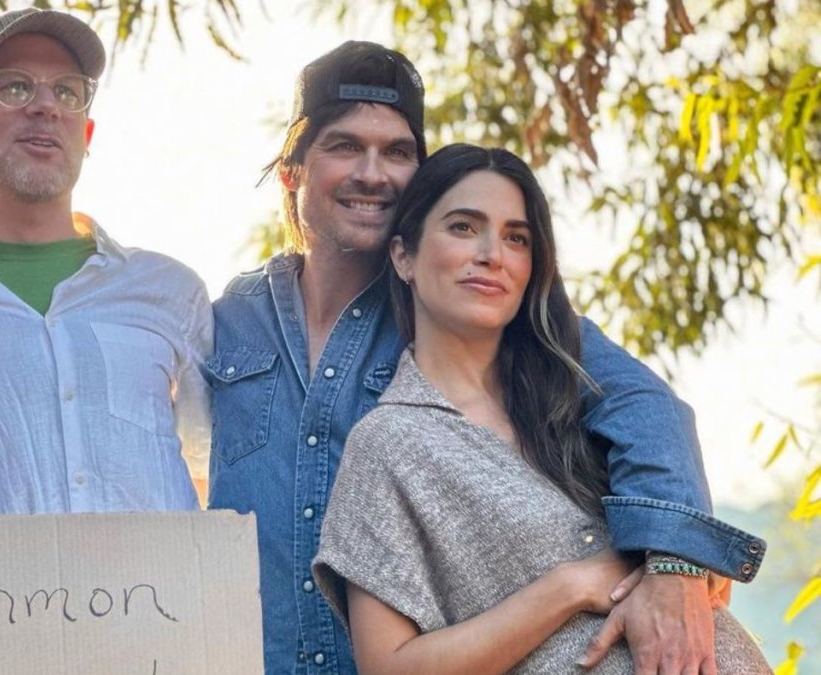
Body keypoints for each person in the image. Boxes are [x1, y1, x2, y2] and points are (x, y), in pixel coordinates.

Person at [207, 42, 766, 674]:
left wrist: (674, 562)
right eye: (343, 146)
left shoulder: (489, 320)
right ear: (292, 170)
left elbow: (647, 409)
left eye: (397, 152)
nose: (373, 172)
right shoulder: (223, 326)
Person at [310, 144, 770, 673]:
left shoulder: (582, 404)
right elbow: (389, 668)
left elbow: (664, 420)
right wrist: (568, 586)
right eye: (463, 227)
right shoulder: (389, 443)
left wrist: (676, 563)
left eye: (516, 238)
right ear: (403, 255)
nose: (493, 254)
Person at [0, 8, 212, 515]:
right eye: (15, 86)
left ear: (86, 133)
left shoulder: (172, 292)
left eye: (67, 91)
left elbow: (213, 471)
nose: (47, 106)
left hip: (164, 594)